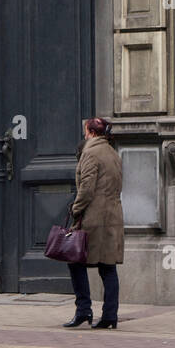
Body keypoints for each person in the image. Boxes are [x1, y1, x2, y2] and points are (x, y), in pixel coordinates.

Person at [62, 116, 124, 330]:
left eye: (85, 131)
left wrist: (75, 209)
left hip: (93, 219)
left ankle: (83, 310)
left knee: (75, 261)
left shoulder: (90, 153)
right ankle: (109, 316)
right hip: (113, 217)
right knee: (108, 267)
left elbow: (87, 189)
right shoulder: (113, 154)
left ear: (90, 132)